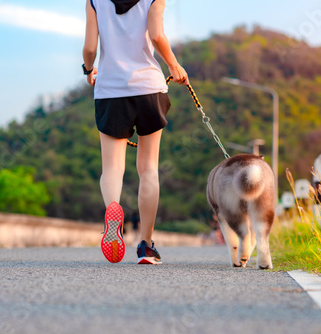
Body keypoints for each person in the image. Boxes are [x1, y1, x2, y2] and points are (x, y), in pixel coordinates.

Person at [82, 0, 188, 265]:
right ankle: (146, 247)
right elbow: (157, 35)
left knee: (112, 169)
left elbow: (90, 47)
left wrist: (88, 68)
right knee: (149, 169)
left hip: (111, 91)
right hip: (149, 88)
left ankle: (113, 210)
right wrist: (174, 66)